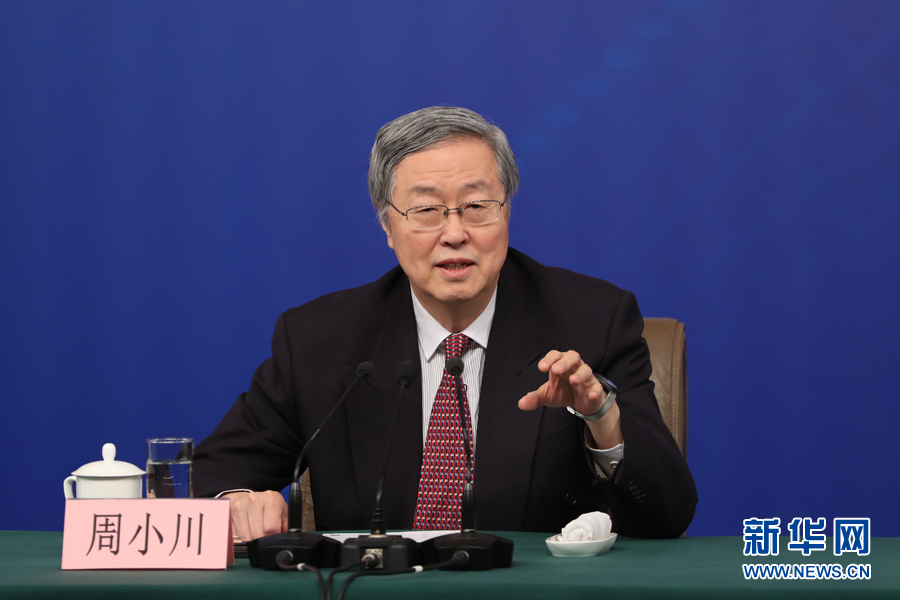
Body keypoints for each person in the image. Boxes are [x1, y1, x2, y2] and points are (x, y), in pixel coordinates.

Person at [194, 106, 697, 541]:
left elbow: (666, 516)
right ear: (387, 224)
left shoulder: (591, 320)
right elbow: (217, 473)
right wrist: (237, 501)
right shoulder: (320, 340)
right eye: (427, 210)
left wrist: (601, 416)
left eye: (476, 206)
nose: (454, 233)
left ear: (506, 212)